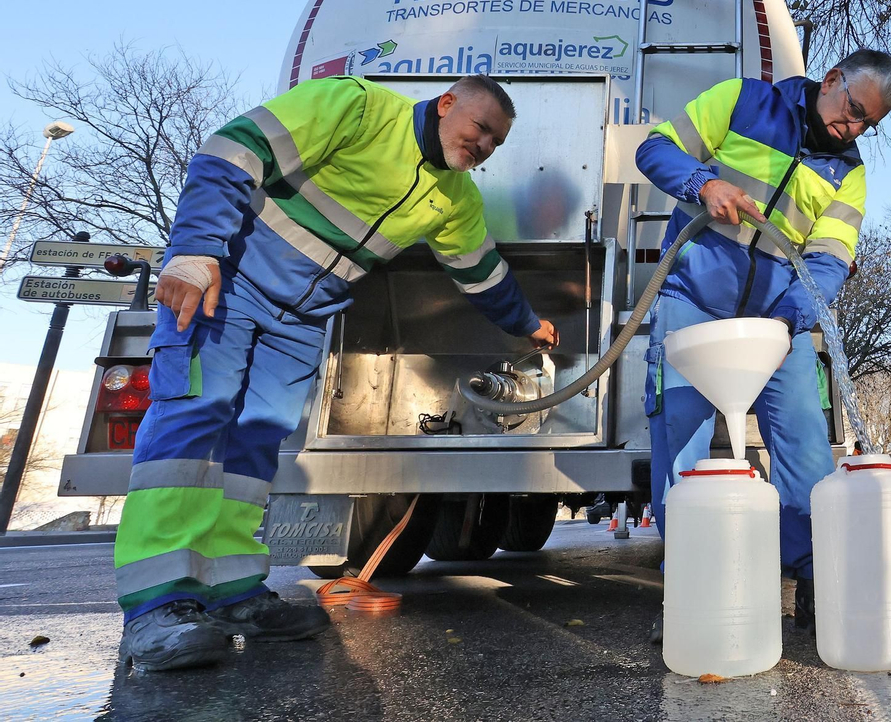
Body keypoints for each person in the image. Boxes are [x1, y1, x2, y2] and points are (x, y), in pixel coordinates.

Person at [115, 75, 560, 671]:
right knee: (194, 423)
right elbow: (232, 150)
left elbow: (479, 271)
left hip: (302, 319)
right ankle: (157, 604)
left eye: (495, 144)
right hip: (229, 286)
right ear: (447, 103)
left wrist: (529, 324)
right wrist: (196, 253)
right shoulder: (356, 106)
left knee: (255, 441)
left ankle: (231, 591)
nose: (483, 147)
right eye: (480, 129)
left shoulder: (455, 198)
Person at [636, 49, 891, 636]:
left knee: (808, 453)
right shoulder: (743, 101)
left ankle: (814, 583)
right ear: (832, 79)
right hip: (691, 301)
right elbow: (655, 147)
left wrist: (788, 323)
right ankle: (688, 585)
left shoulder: (849, 171)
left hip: (778, 321)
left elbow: (831, 260)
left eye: (869, 124)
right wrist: (703, 182)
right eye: (854, 110)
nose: (854, 127)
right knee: (681, 448)